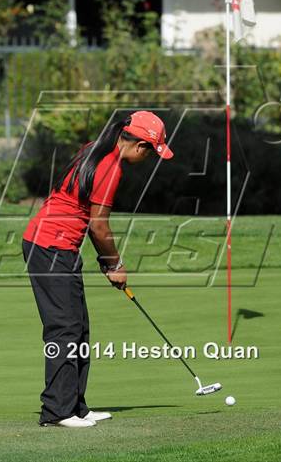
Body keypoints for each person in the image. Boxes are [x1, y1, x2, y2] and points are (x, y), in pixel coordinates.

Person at [22, 111, 173, 428]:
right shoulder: (110, 167)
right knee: (64, 329)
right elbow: (99, 226)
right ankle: (58, 410)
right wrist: (115, 265)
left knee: (78, 327)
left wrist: (106, 262)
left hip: (56, 247)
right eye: (150, 150)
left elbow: (88, 220)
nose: (148, 157)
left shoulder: (96, 148)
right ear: (138, 144)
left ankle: (75, 406)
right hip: (50, 246)